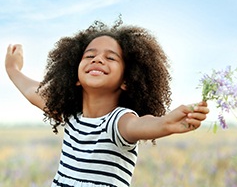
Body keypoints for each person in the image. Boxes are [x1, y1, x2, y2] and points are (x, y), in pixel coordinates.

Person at [5, 20, 209, 187]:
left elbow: (141, 125)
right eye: (90, 55)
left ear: (127, 81)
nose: (98, 59)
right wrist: (13, 68)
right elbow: (34, 92)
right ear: (75, 76)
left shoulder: (117, 122)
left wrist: (165, 124)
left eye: (111, 58)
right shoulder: (72, 116)